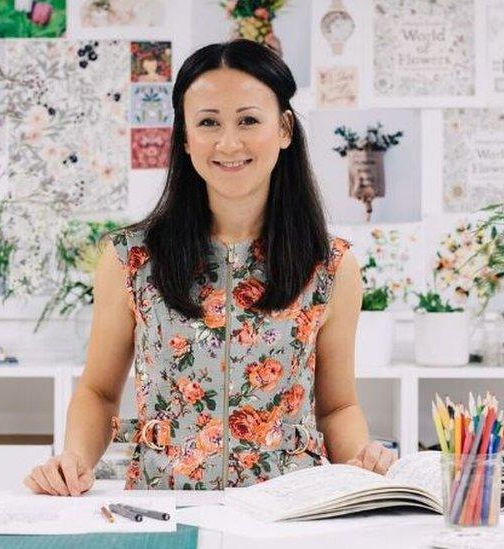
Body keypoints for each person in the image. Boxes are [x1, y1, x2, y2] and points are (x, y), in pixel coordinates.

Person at [25, 39, 396, 496]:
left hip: (289, 512)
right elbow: (99, 391)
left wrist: (363, 458)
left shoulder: (331, 266)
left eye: (247, 120)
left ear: (283, 129)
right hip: (163, 508)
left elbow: (338, 407)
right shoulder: (130, 259)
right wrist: (74, 460)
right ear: (185, 136)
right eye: (207, 122)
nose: (228, 143)